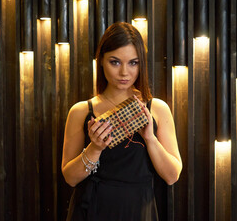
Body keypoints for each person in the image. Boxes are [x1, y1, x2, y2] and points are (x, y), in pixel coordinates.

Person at [61, 22, 182, 221]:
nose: (124, 72)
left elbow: (172, 176)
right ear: (101, 61)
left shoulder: (157, 109)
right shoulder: (81, 111)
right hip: (91, 210)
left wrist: (150, 138)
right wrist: (95, 148)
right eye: (115, 62)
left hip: (139, 210)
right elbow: (70, 178)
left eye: (133, 63)